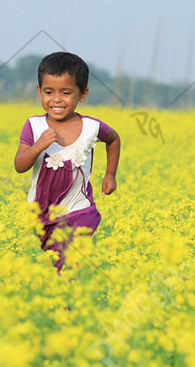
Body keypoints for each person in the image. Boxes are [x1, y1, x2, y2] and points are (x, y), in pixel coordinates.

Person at [14, 52, 121, 273]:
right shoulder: (34, 126)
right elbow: (20, 166)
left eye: (66, 92)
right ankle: (62, 301)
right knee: (55, 263)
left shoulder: (92, 127)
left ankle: (68, 304)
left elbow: (113, 139)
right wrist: (38, 146)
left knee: (68, 260)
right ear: (39, 92)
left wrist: (110, 174)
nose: (56, 99)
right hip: (41, 211)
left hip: (79, 209)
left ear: (82, 94)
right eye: (48, 92)